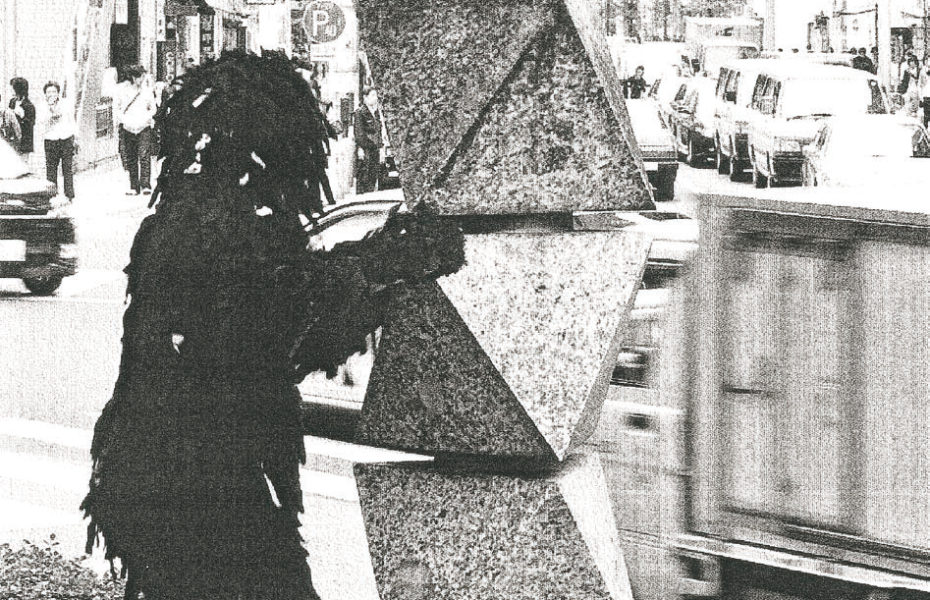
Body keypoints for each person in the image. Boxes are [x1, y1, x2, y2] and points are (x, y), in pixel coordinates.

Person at [79, 51, 465, 600]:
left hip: (162, 471)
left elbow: (288, 304)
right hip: (195, 480)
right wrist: (384, 263)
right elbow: (282, 317)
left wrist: (377, 266)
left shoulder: (179, 221)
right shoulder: (218, 228)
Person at [116, 66, 157, 195]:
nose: (143, 79)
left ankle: (145, 185)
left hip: (143, 127)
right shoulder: (123, 91)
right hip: (128, 128)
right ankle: (134, 186)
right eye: (141, 77)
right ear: (134, 77)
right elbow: (117, 108)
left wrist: (147, 117)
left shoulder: (147, 91)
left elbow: (153, 108)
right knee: (131, 157)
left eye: (144, 77)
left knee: (144, 155)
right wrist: (124, 120)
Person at [41, 81, 76, 201]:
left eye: (54, 91)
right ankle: (52, 195)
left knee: (67, 168)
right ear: (45, 94)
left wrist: (75, 137)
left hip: (66, 138)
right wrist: (50, 109)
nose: (51, 94)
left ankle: (69, 195)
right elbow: (42, 121)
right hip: (51, 140)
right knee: (51, 169)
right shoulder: (43, 106)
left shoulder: (65, 104)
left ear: (58, 93)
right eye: (48, 92)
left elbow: (71, 120)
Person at [355, 86, 383, 194]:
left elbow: (378, 131)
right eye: (373, 95)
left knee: (373, 176)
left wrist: (379, 147)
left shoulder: (376, 113)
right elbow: (359, 134)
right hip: (366, 150)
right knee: (364, 177)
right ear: (365, 98)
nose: (375, 98)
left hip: (375, 149)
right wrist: (366, 146)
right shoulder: (360, 112)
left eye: (376, 95)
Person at [8, 77, 35, 156]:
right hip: (13, 141)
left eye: (12, 88)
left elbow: (31, 124)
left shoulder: (29, 106)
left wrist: (23, 116)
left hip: (24, 143)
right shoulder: (12, 102)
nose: (11, 90)